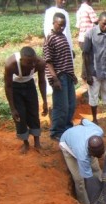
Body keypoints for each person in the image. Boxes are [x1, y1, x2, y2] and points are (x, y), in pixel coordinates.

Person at [4, 46, 48, 154]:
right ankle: (26, 143)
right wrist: (12, 108)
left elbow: (42, 82)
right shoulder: (11, 64)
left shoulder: (40, 63)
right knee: (20, 116)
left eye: (34, 62)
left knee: (33, 113)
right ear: (20, 60)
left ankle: (37, 143)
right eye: (29, 63)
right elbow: (8, 86)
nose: (32, 65)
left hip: (30, 86)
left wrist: (45, 101)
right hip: (15, 88)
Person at [43, 12, 78, 141]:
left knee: (71, 104)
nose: (62, 28)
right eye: (60, 25)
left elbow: (66, 59)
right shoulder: (50, 38)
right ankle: (56, 131)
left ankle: (67, 128)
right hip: (59, 77)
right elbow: (48, 61)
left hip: (67, 76)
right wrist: (55, 79)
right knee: (61, 106)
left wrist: (72, 75)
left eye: (64, 25)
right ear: (53, 23)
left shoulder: (62, 36)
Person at [82, 12, 106, 125]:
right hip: (94, 71)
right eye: (104, 24)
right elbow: (85, 54)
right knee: (93, 95)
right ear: (98, 21)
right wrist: (88, 74)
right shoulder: (90, 34)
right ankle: (94, 118)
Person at [59, 118, 104, 204]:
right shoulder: (83, 155)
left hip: (77, 139)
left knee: (96, 169)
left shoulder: (99, 131)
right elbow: (89, 180)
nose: (96, 157)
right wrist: (95, 201)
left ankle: (103, 192)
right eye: (94, 155)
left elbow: (83, 120)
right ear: (90, 152)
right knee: (79, 179)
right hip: (66, 144)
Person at [44, 0, 74, 95]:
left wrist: (70, 48)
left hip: (65, 46)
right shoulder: (50, 12)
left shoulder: (66, 13)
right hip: (56, 48)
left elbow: (67, 32)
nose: (64, 2)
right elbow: (47, 31)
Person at [75, 0, 98, 81]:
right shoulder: (88, 8)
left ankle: (85, 75)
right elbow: (96, 21)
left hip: (81, 38)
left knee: (85, 57)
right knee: (89, 58)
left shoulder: (79, 10)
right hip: (88, 38)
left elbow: (78, 25)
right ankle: (88, 75)